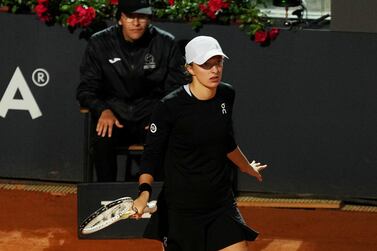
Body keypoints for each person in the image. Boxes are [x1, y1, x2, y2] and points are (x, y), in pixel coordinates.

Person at [133, 36, 268, 251]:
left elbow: (226, 141)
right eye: (206, 65)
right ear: (190, 69)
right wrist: (144, 193)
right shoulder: (169, 107)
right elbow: (151, 154)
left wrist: (246, 167)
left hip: (219, 204)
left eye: (218, 63)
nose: (214, 70)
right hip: (181, 210)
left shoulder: (226, 94)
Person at [76, 0, 186, 182]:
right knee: (103, 136)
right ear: (120, 19)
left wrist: (160, 114)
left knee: (163, 134)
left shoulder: (166, 43)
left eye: (141, 17)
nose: (136, 23)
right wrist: (102, 110)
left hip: (150, 113)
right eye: (130, 17)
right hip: (114, 114)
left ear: (149, 19)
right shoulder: (100, 43)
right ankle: (107, 198)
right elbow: (86, 89)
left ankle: (157, 197)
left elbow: (176, 89)